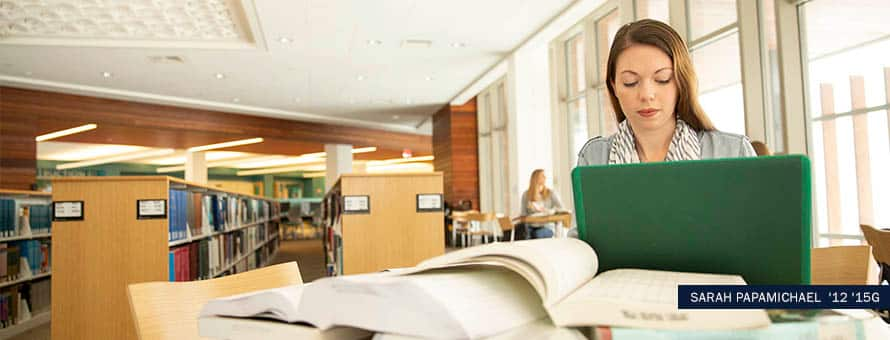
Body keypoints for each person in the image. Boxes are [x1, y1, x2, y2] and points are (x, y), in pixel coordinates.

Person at [577, 19, 756, 166]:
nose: (647, 95)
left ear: (681, 82)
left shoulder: (733, 152)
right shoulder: (594, 158)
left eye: (663, 79)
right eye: (630, 82)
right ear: (614, 86)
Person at [520, 169, 564, 239]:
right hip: (531, 226)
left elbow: (561, 209)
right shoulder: (526, 195)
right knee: (524, 235)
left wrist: (547, 211)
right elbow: (523, 214)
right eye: (542, 176)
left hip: (547, 226)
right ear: (535, 178)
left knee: (537, 234)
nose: (545, 178)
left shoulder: (551, 193)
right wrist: (531, 210)